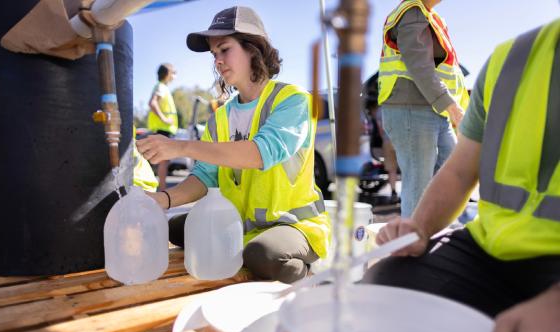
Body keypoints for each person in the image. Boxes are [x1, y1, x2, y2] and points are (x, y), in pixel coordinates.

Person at [365, 19, 560, 332]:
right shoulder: (512, 60)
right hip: (491, 251)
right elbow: (458, 173)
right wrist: (418, 228)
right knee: (386, 291)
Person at [137, 6, 330, 283]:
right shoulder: (220, 118)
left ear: (254, 48)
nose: (217, 61)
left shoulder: (293, 100)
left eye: (224, 49)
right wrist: (163, 200)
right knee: (177, 228)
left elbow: (260, 154)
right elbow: (205, 176)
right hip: (239, 227)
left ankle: (311, 273)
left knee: (263, 255)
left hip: (294, 226)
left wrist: (180, 147)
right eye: (214, 54)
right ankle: (239, 247)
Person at [378, 0, 469, 217]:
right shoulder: (412, 12)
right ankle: (414, 248)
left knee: (454, 176)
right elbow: (420, 66)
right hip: (411, 110)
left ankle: (440, 239)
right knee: (419, 187)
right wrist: (452, 107)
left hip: (434, 111)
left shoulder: (431, 17)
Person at [147, 63, 178, 190]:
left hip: (165, 130)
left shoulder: (164, 88)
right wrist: (164, 119)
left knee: (163, 161)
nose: (175, 76)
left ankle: (161, 189)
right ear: (167, 74)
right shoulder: (160, 87)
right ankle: (162, 190)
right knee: (163, 161)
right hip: (162, 129)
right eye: (173, 73)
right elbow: (152, 103)